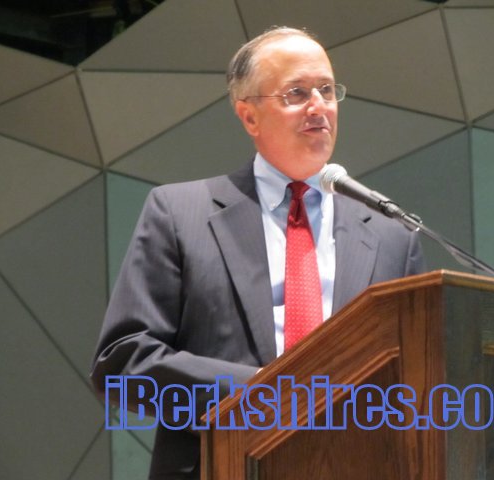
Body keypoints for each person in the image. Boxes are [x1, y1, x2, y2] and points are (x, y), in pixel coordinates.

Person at [90, 26, 425, 479]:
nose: (319, 107)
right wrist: (270, 394)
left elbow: (416, 380)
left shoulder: (391, 235)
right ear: (249, 116)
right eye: (297, 93)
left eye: (327, 90)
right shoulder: (179, 213)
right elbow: (123, 361)